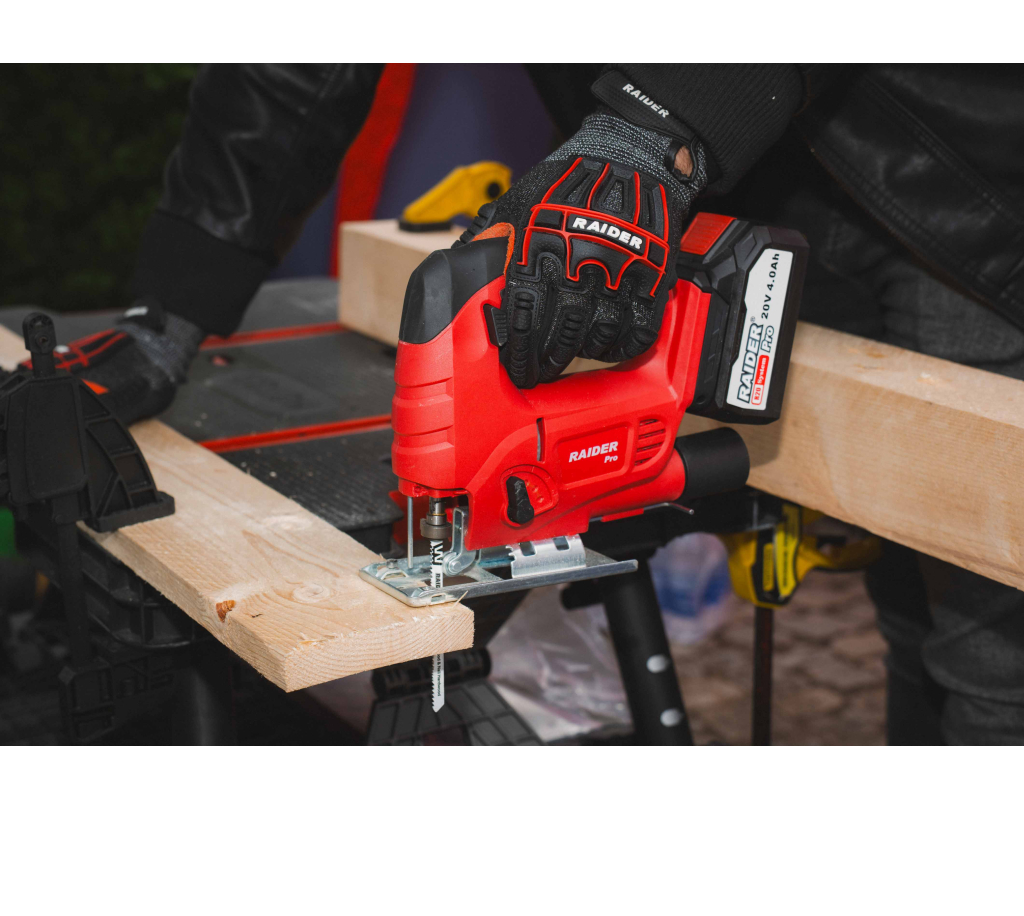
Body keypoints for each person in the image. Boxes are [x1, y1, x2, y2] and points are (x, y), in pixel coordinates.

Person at [55, 63, 1024, 744]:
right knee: (913, 594)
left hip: (955, 185)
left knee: (992, 637)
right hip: (726, 171)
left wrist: (654, 128)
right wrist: (180, 292)